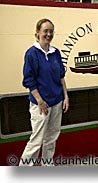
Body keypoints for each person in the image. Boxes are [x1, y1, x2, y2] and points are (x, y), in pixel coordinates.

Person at [19, 18, 69, 166]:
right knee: (36, 140)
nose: (48, 34)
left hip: (57, 102)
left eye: (51, 31)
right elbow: (29, 81)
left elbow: (61, 76)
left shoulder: (55, 53)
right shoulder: (31, 54)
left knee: (51, 138)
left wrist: (65, 97)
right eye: (45, 31)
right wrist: (40, 101)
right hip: (41, 104)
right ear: (38, 33)